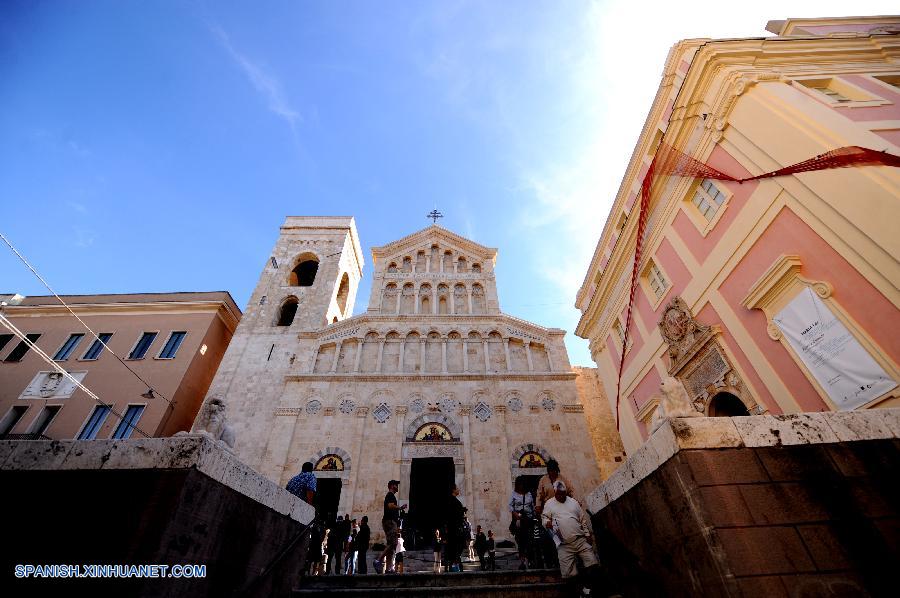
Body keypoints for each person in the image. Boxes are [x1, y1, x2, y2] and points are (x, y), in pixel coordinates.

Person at [541, 481, 601, 593]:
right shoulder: (549, 504)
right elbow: (544, 518)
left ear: (566, 492)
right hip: (563, 544)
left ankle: (595, 591)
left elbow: (582, 519)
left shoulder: (573, 502)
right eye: (559, 493)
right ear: (555, 492)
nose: (561, 496)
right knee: (569, 574)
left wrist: (587, 535)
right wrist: (547, 522)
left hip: (580, 540)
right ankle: (577, 593)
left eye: (563, 493)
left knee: (592, 563)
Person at [376, 480, 406, 574]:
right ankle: (379, 560)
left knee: (391, 545)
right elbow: (390, 505)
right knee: (394, 543)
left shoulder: (392, 496)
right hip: (389, 521)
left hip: (391, 522)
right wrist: (400, 508)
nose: (397, 486)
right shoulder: (390, 495)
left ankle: (389, 568)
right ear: (392, 486)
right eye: (396, 485)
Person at [508, 478, 535, 570]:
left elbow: (532, 506)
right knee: (520, 539)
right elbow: (510, 505)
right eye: (519, 484)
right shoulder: (514, 494)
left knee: (529, 539)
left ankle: (530, 560)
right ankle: (522, 561)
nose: (521, 486)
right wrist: (514, 513)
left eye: (522, 484)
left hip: (528, 519)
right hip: (519, 519)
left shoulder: (529, 494)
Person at [445, 484, 467, 572]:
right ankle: (455, 565)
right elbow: (454, 515)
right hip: (455, 529)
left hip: (453, 529)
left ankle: (454, 564)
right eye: (457, 488)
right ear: (453, 490)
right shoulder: (453, 501)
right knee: (456, 547)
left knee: (454, 547)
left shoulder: (452, 501)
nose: (458, 489)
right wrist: (462, 511)